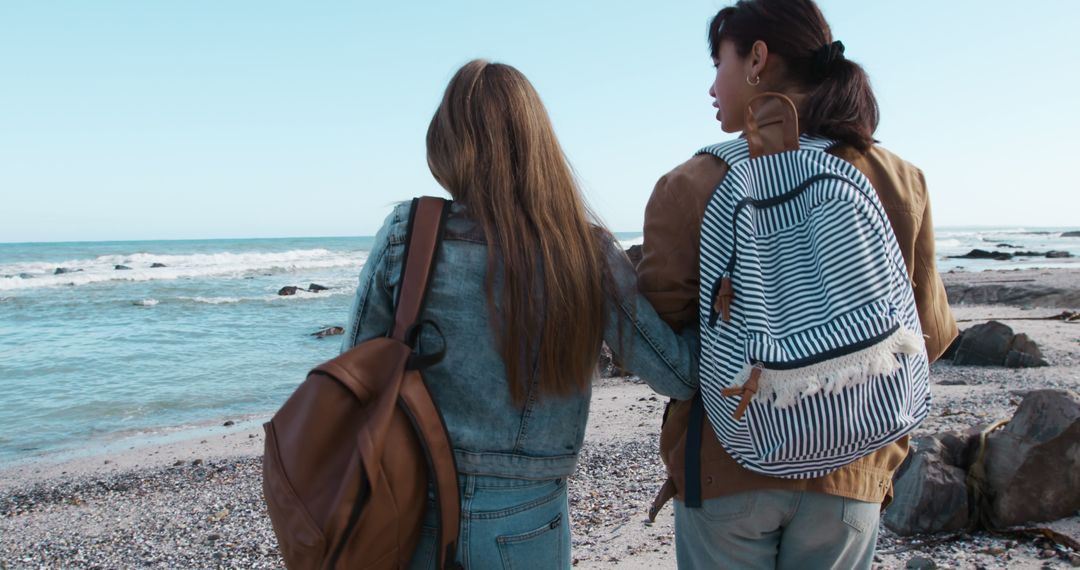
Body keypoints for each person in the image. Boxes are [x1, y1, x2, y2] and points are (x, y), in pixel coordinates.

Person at [341, 59, 700, 570]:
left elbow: (351, 377)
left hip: (408, 502)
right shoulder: (582, 251)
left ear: (446, 140)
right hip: (527, 518)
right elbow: (678, 375)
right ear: (536, 143)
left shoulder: (409, 233)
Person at [637, 1, 958, 568]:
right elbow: (923, 336)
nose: (712, 86)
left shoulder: (693, 183)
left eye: (719, 63)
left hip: (726, 466)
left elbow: (668, 346)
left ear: (757, 58)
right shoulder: (898, 178)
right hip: (853, 470)